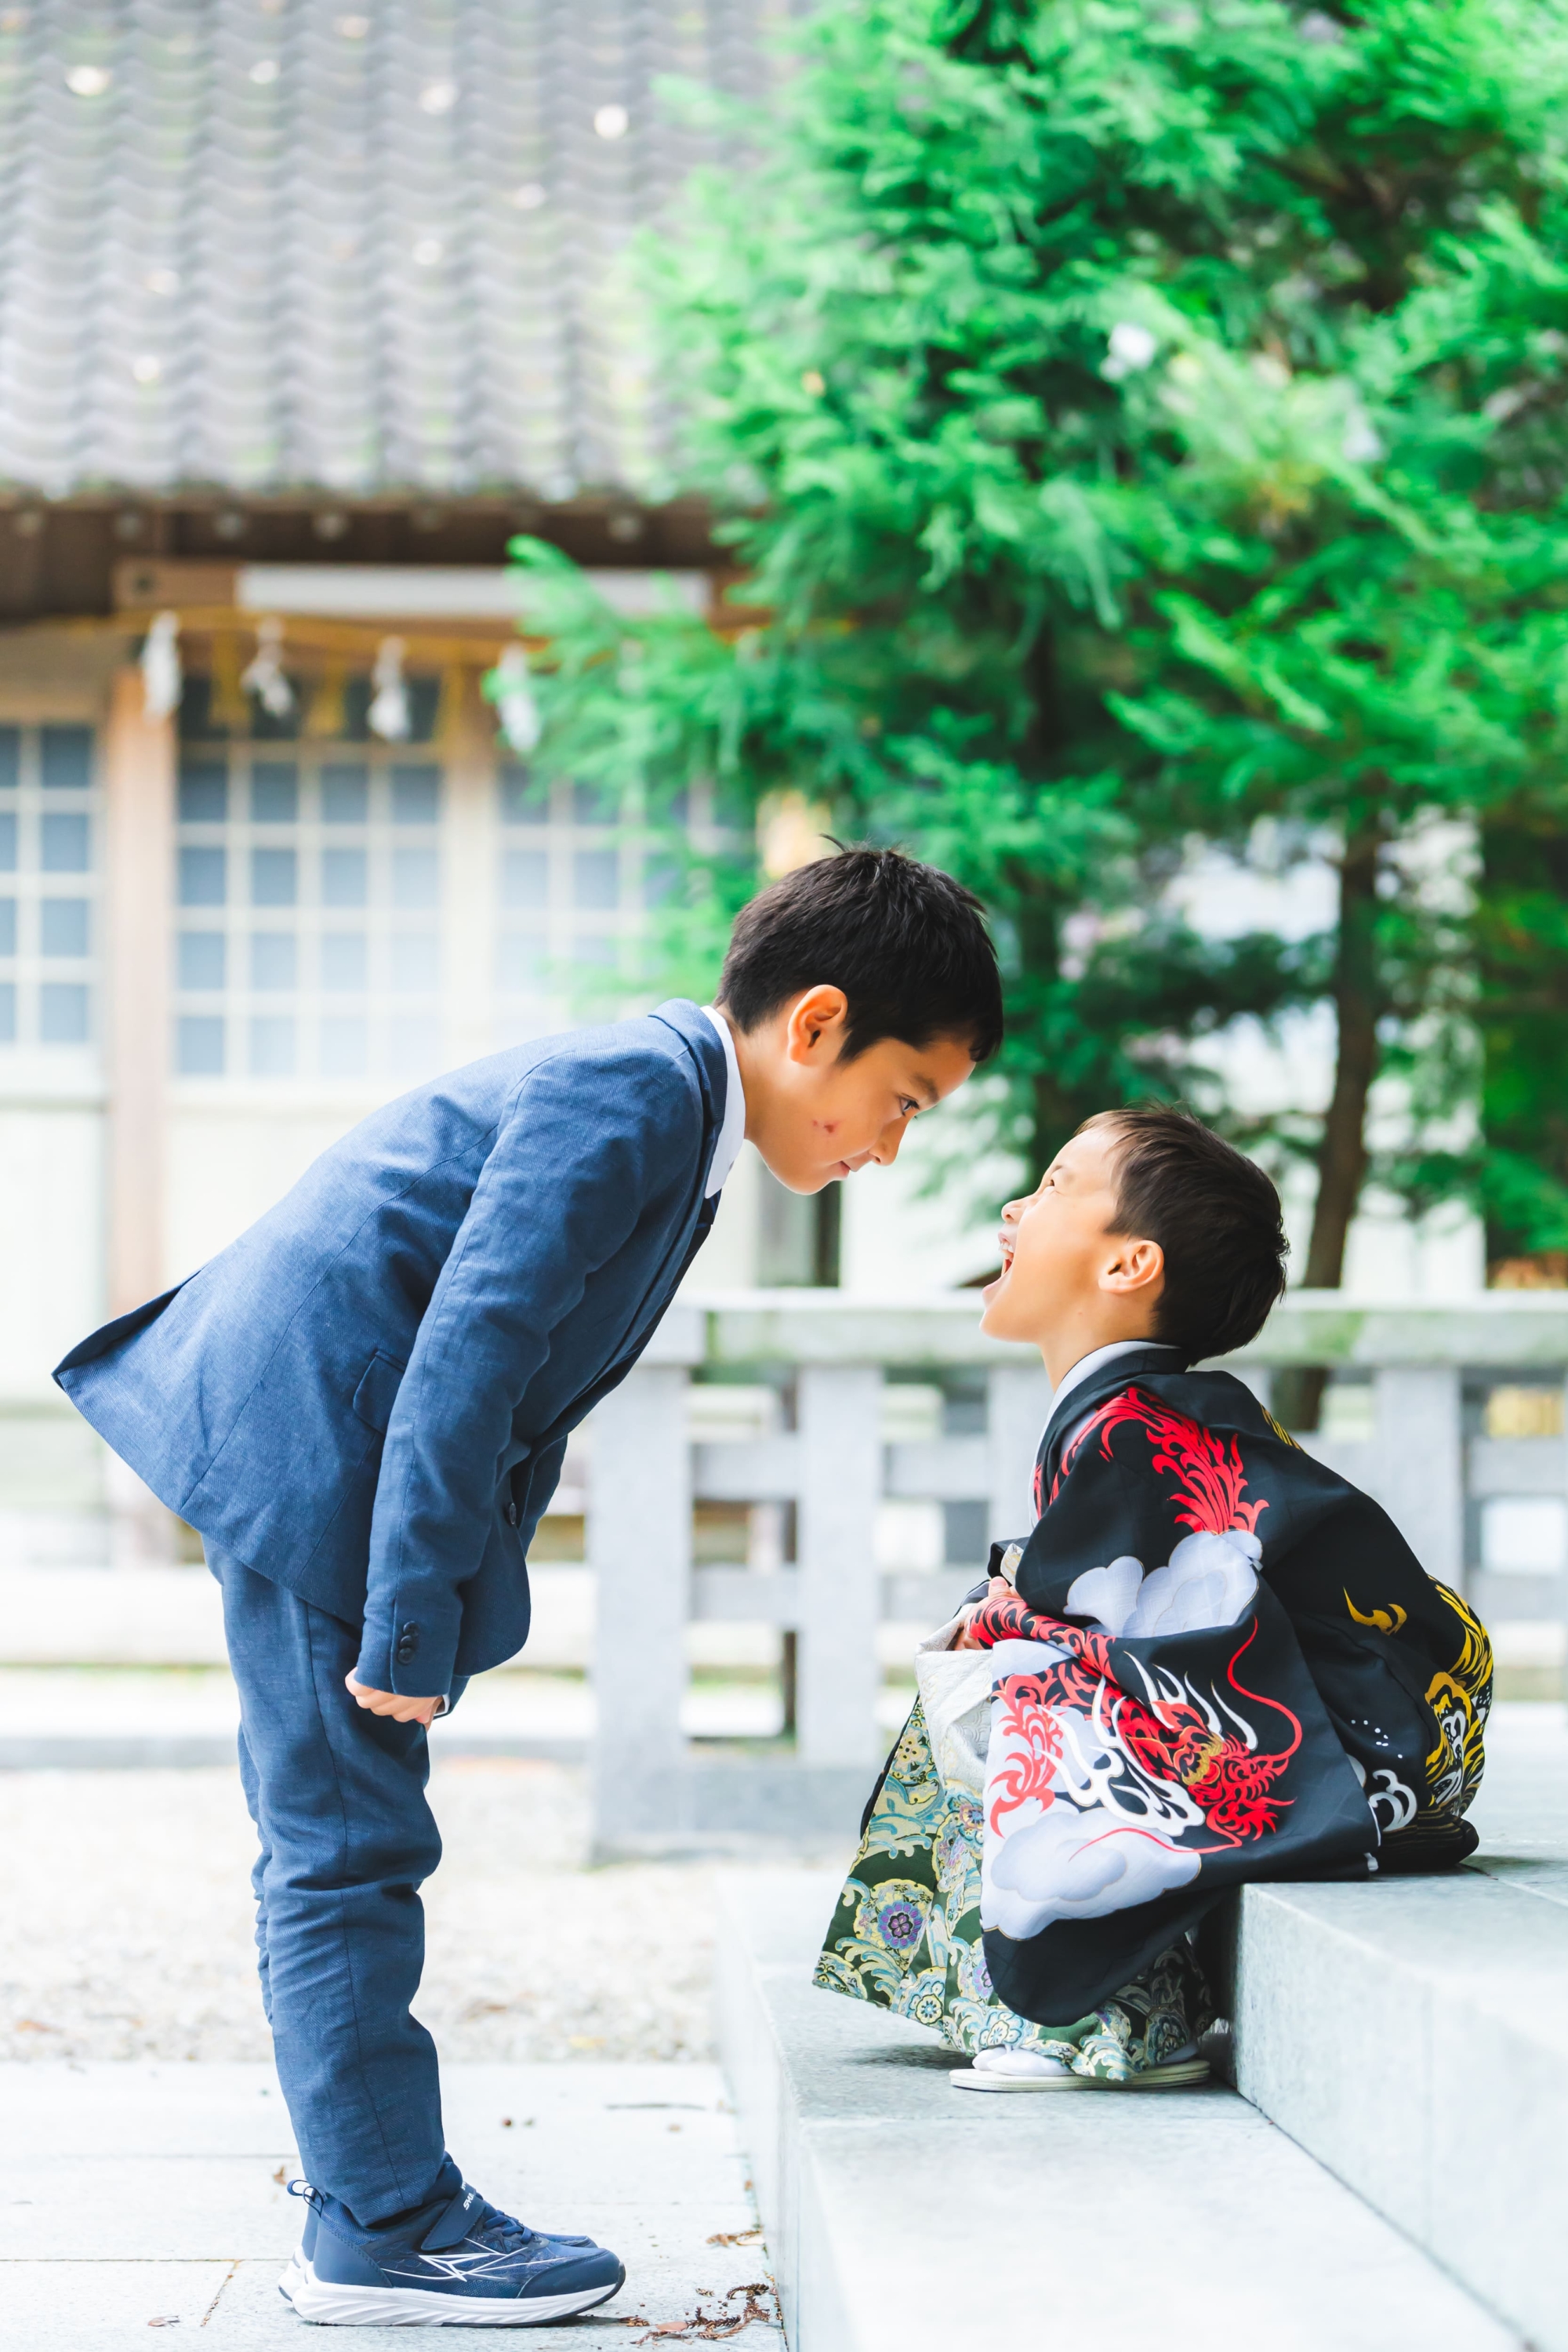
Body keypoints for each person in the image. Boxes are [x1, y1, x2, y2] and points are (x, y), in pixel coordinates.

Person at [54, 845, 1003, 2325]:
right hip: (316, 1452)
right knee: (346, 1849)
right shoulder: (637, 1090)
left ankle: (368, 2193)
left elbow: (508, 1372)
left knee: (344, 1839)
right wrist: (411, 1612)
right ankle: (379, 2226)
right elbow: (473, 1354)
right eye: (905, 1102)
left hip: (325, 1443)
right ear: (816, 1024)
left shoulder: (678, 1108)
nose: (889, 1148)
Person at [816, 1107, 1493, 2092]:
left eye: (1051, 1187)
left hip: (1364, 1747)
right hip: (1382, 1731)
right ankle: (1000, 1992)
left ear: (1128, 1266)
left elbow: (1163, 1647)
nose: (1014, 1206)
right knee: (1013, 1647)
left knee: (1033, 1678)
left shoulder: (1138, 1428)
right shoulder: (1135, 1414)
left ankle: (1112, 2026)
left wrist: (1010, 1618)